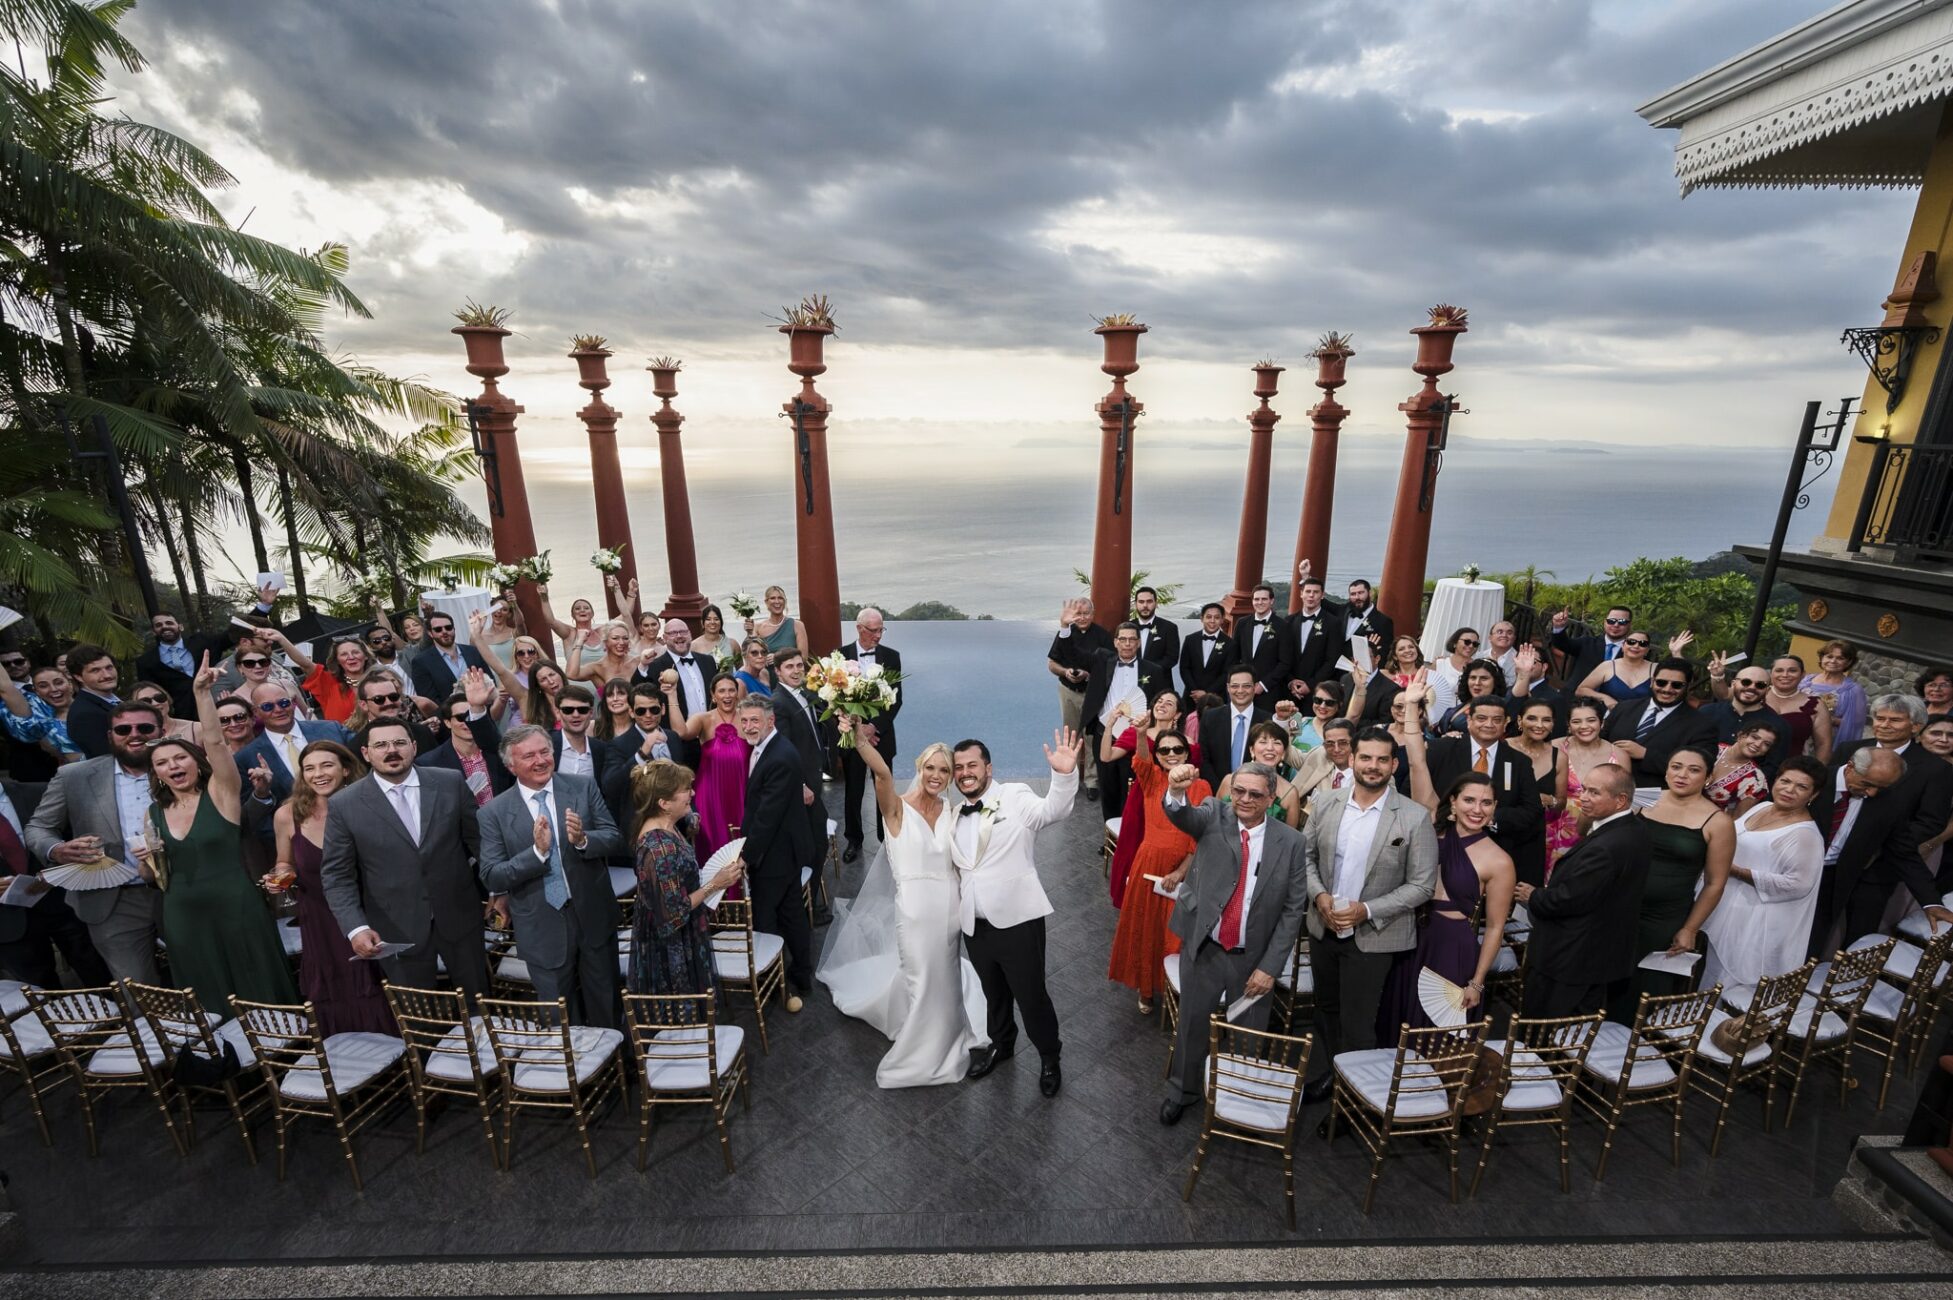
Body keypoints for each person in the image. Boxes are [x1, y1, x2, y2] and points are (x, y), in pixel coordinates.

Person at [819, 715, 988, 1087]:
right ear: (919, 767)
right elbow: (880, 775)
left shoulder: (951, 811)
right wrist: (860, 738)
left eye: (944, 771)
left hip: (949, 909)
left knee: (944, 973)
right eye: (930, 767)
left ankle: (951, 1027)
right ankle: (921, 1047)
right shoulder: (895, 809)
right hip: (913, 910)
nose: (937, 776)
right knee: (921, 975)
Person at [1156, 758, 1310, 1126]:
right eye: (1238, 790)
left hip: (1252, 962)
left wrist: (1270, 968)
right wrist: (1176, 791)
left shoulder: (1291, 842)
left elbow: (1292, 909)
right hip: (1205, 949)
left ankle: (1235, 1096)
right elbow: (1181, 815)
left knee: (1248, 1034)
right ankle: (1183, 1091)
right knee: (1192, 1025)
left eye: (1255, 794)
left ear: (1271, 797)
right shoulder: (1213, 814)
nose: (1243, 800)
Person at [137, 660, 299, 1008]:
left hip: (237, 908)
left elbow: (215, 740)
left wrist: (201, 693)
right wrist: (146, 862)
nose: (173, 766)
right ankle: (225, 1059)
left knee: (257, 984)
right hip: (183, 915)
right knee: (206, 992)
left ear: (196, 761)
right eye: (162, 763)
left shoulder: (221, 794)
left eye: (180, 758)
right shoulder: (152, 814)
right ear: (155, 774)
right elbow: (151, 877)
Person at [1297, 726, 1438, 1107]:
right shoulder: (1326, 803)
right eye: (1365, 757)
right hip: (1324, 927)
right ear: (1352, 759)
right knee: (1326, 1009)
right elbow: (1305, 858)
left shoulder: (1413, 817)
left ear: (1394, 764)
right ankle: (1332, 1073)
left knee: (1358, 1023)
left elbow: (1422, 886)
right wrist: (1320, 895)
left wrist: (1367, 910)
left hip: (1374, 936)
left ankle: (1352, 1102)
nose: (1372, 766)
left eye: (1381, 759)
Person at [319, 717, 492, 1001]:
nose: (392, 750)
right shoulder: (344, 804)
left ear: (413, 747)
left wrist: (498, 889)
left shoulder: (449, 782)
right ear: (366, 753)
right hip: (395, 929)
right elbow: (337, 876)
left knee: (480, 1006)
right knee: (419, 1019)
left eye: (399, 743)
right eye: (381, 744)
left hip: (460, 918)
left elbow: (480, 843)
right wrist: (356, 928)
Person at [953, 728, 1082, 1098]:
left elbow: (1053, 810)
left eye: (972, 765)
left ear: (988, 769)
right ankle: (1002, 1045)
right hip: (974, 926)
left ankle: (1049, 1057)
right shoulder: (955, 813)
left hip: (1018, 921)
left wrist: (1063, 774)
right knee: (993, 993)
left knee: (1031, 995)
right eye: (959, 767)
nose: (965, 772)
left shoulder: (1015, 796)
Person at [480, 724, 626, 1027]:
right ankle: (571, 1072)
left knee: (606, 1004)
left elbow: (613, 836)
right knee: (559, 1016)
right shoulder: (493, 812)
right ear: (511, 765)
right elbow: (492, 876)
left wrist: (584, 840)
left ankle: (616, 1068)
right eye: (529, 756)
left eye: (544, 751)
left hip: (593, 917)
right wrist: (536, 854)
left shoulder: (582, 787)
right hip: (541, 928)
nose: (540, 760)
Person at [24, 698, 168, 982]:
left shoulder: (183, 767)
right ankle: (152, 1028)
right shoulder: (74, 776)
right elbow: (38, 827)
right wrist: (58, 849)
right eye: (123, 729)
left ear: (161, 732)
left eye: (145, 727)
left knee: (200, 974)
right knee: (139, 990)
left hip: (180, 890)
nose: (134, 734)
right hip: (113, 899)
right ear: (110, 737)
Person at [268, 740, 393, 1036]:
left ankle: (395, 1057)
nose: (318, 774)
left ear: (346, 770)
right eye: (309, 768)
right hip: (318, 920)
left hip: (368, 914)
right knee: (332, 989)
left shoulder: (371, 807)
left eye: (326, 765)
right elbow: (284, 862)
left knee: (375, 985)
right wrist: (280, 877)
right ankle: (345, 1062)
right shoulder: (287, 816)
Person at [1382, 765, 1516, 1038]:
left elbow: (1494, 927)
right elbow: (1418, 765)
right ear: (1453, 801)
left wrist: (1477, 983)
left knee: (1435, 1034)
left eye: (1486, 802)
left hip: (1451, 950)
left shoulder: (1499, 861)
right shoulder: (1429, 831)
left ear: (1494, 808)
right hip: (1409, 938)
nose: (1477, 809)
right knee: (1395, 1020)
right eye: (1469, 800)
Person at [1514, 763, 1650, 1017]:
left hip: (1572, 957)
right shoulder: (1636, 828)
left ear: (1620, 800)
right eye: (1584, 789)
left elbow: (1568, 899)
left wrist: (1533, 895)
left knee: (1547, 1031)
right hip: (1595, 954)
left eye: (1594, 792)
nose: (1583, 797)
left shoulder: (1606, 847)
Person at [1614, 747, 1733, 1021]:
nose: (1682, 775)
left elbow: (1715, 883)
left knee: (1643, 987)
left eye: (1694, 770)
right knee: (1605, 973)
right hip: (1620, 904)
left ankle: (1626, 1053)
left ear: (1708, 777)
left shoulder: (1718, 821)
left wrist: (1690, 928)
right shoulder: (1644, 798)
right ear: (1666, 769)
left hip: (1664, 919)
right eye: (1676, 766)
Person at [1808, 739, 1953, 952]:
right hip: (1790, 873)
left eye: (1881, 787)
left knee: (1811, 945)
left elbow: (1904, 853)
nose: (1873, 793)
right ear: (1850, 767)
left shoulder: (1889, 802)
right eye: (1868, 784)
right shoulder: (1814, 782)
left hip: (1832, 879)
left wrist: (1931, 902)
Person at [1700, 757, 1828, 998]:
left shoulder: (1804, 835)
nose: (1789, 790)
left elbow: (1799, 885)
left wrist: (1738, 871)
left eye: (1801, 787)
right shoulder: (1761, 807)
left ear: (1814, 794)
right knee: (1709, 972)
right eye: (1785, 781)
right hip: (1727, 905)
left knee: (1725, 984)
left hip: (1755, 920)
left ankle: (1714, 1032)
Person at [1107, 727, 1207, 1013]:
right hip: (1148, 864)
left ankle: (1172, 988)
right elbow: (1140, 760)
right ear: (1157, 756)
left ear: (1187, 753)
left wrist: (1181, 872)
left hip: (1186, 868)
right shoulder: (1151, 780)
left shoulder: (1202, 787)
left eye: (1178, 749)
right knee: (1145, 928)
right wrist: (1140, 734)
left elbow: (1200, 838)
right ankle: (1146, 989)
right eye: (1164, 750)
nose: (1172, 755)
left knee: (1176, 934)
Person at [1408, 682, 1545, 887]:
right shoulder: (1441, 749)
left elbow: (1531, 811)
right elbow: (1411, 788)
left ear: (1506, 723)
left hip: (1495, 857)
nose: (1488, 724)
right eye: (1481, 718)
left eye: (1496, 720)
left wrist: (1488, 818)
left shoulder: (1519, 762)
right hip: (1440, 851)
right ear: (1469, 720)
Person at [731, 695, 817, 1012]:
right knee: (792, 913)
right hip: (785, 850)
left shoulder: (779, 756)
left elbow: (767, 817)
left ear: (770, 721)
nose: (749, 726)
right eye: (745, 721)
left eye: (755, 720)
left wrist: (746, 856)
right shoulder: (769, 749)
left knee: (768, 919)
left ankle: (771, 983)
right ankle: (801, 975)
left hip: (776, 855)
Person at [628, 760, 743, 996]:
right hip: (671, 947)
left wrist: (689, 824)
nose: (692, 793)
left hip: (682, 934)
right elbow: (674, 912)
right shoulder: (659, 849)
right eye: (684, 790)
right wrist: (716, 884)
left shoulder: (666, 826)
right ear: (664, 803)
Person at [0, 777, 111, 989]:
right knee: (41, 995)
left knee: (99, 974)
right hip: (8, 922)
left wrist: (56, 871)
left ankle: (120, 1022)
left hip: (63, 902)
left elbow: (80, 838)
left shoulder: (40, 791)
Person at [1103, 690, 1203, 906]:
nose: (1162, 705)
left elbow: (1194, 776)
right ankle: (1132, 898)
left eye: (1169, 703)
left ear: (1177, 714)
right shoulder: (1139, 733)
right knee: (1135, 846)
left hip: (1176, 802)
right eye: (1159, 701)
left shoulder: (1189, 742)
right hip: (1143, 800)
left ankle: (1164, 897)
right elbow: (1106, 756)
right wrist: (1110, 724)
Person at [1079, 621, 1168, 821]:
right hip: (1106, 734)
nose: (1127, 644)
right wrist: (1066, 628)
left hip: (1137, 737)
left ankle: (1129, 836)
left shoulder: (1154, 670)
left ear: (1138, 643)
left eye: (1132, 640)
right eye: (1123, 639)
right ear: (1116, 642)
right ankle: (1110, 835)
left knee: (1132, 790)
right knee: (1108, 789)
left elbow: (1161, 699)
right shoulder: (1101, 664)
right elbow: (1071, 654)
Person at [660, 669, 748, 867]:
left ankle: (745, 893)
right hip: (710, 796)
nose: (727, 695)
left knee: (743, 843)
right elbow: (681, 732)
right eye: (722, 691)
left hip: (743, 793)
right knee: (714, 846)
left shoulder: (747, 718)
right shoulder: (703, 719)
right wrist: (672, 694)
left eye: (731, 690)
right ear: (713, 695)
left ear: (738, 693)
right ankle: (714, 894)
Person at [768, 649, 830, 911]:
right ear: (778, 671)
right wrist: (801, 785)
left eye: (799, 666)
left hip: (814, 779)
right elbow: (784, 750)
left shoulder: (805, 693)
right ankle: (808, 905)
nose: (796, 671)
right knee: (813, 846)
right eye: (789, 667)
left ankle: (809, 900)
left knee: (817, 843)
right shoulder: (779, 702)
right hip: (801, 789)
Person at [839, 608, 903, 859]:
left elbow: (895, 700)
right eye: (873, 630)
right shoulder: (840, 656)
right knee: (852, 791)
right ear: (859, 628)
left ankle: (886, 837)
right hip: (852, 736)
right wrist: (857, 728)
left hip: (881, 736)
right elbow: (835, 699)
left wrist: (873, 727)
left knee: (883, 786)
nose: (878, 636)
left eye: (881, 630)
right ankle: (854, 839)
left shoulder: (892, 656)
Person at [1600, 658, 1715, 789]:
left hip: (1655, 797)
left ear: (1687, 687)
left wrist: (1646, 754)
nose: (1667, 689)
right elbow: (1599, 742)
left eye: (1676, 685)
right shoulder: (1624, 708)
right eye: (1661, 683)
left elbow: (1699, 769)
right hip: (1605, 787)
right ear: (1651, 682)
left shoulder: (1701, 725)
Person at [231, 680, 352, 804]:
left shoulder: (331, 729)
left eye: (283, 703)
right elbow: (248, 814)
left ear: (292, 703)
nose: (278, 710)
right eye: (268, 706)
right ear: (256, 712)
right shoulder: (245, 758)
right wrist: (261, 793)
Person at [417, 674, 511, 806]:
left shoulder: (499, 752)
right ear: (448, 722)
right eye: (461, 718)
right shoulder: (429, 763)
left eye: (470, 716)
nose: (467, 723)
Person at [1050, 597, 1112, 797]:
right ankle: (1070, 778)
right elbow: (1051, 663)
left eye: (1086, 613)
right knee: (1071, 735)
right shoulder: (1065, 634)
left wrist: (1089, 674)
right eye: (1079, 613)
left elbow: (1109, 666)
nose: (1082, 617)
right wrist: (1065, 672)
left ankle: (1092, 781)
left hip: (1093, 693)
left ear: (1093, 614)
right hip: (1068, 692)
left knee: (1091, 736)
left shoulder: (1103, 636)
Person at [1549, 701, 1622, 866]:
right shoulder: (1554, 747)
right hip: (1552, 827)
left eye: (1591, 720)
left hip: (1595, 831)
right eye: (1576, 721)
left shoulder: (1618, 755)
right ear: (1568, 725)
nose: (1584, 726)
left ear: (1601, 722)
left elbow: (1623, 800)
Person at [1701, 660, 1793, 781]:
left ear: (1768, 690)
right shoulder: (1707, 712)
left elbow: (1773, 768)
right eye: (1746, 682)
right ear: (1733, 683)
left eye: (1760, 685)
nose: (1751, 688)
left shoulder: (1779, 725)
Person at [644, 618, 710, 770]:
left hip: (710, 737)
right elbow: (639, 693)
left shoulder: (708, 661)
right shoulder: (655, 667)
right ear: (665, 638)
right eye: (673, 633)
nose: (679, 636)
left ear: (690, 635)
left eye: (683, 632)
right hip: (679, 742)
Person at [1196, 666, 1271, 792]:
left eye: (1246, 686)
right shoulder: (1210, 717)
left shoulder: (1267, 721)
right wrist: (1222, 790)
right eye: (1235, 686)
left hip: (1254, 795)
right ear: (1228, 688)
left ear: (1255, 687)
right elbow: (1204, 758)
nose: (1240, 691)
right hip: (1217, 793)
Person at [1218, 723, 1305, 830]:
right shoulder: (1229, 781)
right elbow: (1215, 820)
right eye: (1263, 742)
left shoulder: (1290, 793)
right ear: (1251, 750)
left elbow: (1291, 840)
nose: (1270, 748)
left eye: (1277, 743)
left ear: (1283, 753)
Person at [2, 661, 79, 779]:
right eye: (43, 686)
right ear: (36, 691)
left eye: (58, 683)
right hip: (75, 780)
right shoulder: (42, 724)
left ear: (70, 684)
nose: (53, 689)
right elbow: (6, 688)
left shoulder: (94, 707)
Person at [135, 611, 218, 719]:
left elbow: (229, 637)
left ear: (180, 627)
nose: (164, 627)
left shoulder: (201, 642)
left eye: (169, 623)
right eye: (158, 625)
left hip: (214, 708)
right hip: (179, 717)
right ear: (154, 632)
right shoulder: (145, 662)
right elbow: (148, 693)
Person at [1283, 565, 1345, 701]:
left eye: (1316, 592)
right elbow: (1283, 656)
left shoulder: (1333, 623)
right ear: (1301, 594)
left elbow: (1332, 660)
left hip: (1318, 691)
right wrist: (1291, 681)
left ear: (1322, 595)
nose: (1311, 595)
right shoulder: (1289, 621)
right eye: (1308, 591)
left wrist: (1310, 685)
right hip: (1289, 690)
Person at [1762, 654, 1835, 762]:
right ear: (1771, 673)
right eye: (1779, 670)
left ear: (1803, 674)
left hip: (1789, 770)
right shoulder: (1756, 695)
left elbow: (1823, 745)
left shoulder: (1816, 705)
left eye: (1792, 670)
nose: (1785, 675)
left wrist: (1816, 774)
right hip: (1747, 766)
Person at [1228, 584, 1292, 700]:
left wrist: (1264, 684)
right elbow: (1234, 656)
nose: (1260, 602)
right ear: (1252, 601)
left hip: (1269, 691)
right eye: (1256, 599)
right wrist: (1240, 682)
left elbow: (1285, 662)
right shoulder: (1242, 623)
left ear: (1271, 601)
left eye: (1264, 599)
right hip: (1242, 690)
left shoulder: (1282, 626)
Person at [408, 611, 489, 702]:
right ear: (430, 633)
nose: (444, 631)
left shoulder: (472, 651)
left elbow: (490, 682)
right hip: (451, 715)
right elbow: (430, 700)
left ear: (454, 629)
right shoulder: (421, 662)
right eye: (438, 629)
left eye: (448, 627)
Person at [1549, 604, 1635, 689]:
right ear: (1605, 622)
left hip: (1610, 700)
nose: (1616, 625)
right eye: (1611, 621)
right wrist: (1558, 627)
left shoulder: (1634, 651)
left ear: (1630, 625)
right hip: (1576, 698)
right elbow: (1562, 644)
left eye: (1622, 622)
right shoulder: (1587, 642)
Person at [1802, 640, 1867, 747]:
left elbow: (1855, 726)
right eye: (1829, 656)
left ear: (1849, 662)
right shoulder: (1805, 681)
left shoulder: (1853, 690)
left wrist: (1826, 719)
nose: (1833, 661)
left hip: (1824, 742)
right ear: (1822, 658)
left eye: (1840, 658)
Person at [63, 642, 122, 759]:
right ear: (78, 677)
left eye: (109, 668)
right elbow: (107, 758)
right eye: (95, 670)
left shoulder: (113, 701)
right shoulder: (85, 714)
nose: (107, 675)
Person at [300, 638, 378, 725]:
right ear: (337, 660)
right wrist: (281, 638)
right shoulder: (329, 683)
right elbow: (305, 665)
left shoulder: (380, 681)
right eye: (344, 654)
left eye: (356, 652)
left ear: (366, 656)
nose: (351, 657)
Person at [1705, 723, 1775, 815]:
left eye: (1766, 744)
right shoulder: (1711, 748)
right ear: (1740, 735)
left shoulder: (1757, 780)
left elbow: (1737, 820)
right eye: (1754, 737)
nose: (1758, 744)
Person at [1177, 601, 1233, 712]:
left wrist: (1207, 693)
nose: (1212, 621)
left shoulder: (1230, 643)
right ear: (1202, 619)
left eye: (1217, 617)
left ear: (1222, 620)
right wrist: (1194, 691)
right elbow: (1184, 668)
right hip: (1191, 697)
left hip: (1217, 698)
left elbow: (1227, 673)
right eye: (1208, 617)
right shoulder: (1190, 640)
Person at [611, 681, 675, 773]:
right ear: (631, 712)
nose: (648, 715)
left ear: (663, 709)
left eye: (654, 709)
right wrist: (642, 754)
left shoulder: (673, 737)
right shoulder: (618, 745)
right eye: (641, 711)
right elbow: (611, 784)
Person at [1424, 628, 1481, 724]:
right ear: (1454, 643)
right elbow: (1426, 691)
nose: (1471, 646)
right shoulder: (1439, 664)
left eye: (1475, 644)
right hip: (1435, 719)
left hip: (1464, 720)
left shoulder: (1479, 667)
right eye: (1467, 642)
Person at [748, 585, 810, 668]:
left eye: (780, 598)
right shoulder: (758, 627)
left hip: (791, 675)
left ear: (785, 601)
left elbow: (804, 658)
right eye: (772, 598)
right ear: (766, 602)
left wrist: (779, 658)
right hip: (767, 676)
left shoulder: (797, 625)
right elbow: (753, 657)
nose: (777, 601)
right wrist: (749, 632)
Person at [1338, 577, 1395, 666]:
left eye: (1360, 593)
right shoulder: (1342, 610)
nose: (1357, 597)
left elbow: (1384, 654)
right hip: (1334, 670)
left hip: (1362, 671)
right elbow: (1321, 602)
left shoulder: (1383, 621)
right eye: (1353, 594)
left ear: (1370, 593)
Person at [536, 584, 600, 660]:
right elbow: (551, 621)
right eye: (577, 608)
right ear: (573, 615)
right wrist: (544, 598)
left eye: (586, 608)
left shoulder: (601, 632)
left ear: (592, 614)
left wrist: (616, 588)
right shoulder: (569, 633)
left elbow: (618, 619)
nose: (582, 610)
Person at [568, 620, 638, 687]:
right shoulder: (597, 668)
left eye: (625, 638)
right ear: (605, 641)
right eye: (615, 638)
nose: (621, 642)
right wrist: (580, 641)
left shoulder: (638, 662)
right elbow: (571, 674)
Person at [129, 681, 198, 747]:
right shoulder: (134, 737)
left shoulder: (196, 728)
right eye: (146, 701)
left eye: (159, 698)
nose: (156, 703)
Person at [1132, 585, 1180, 675]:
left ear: (1156, 603)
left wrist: (1147, 670)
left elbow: (1172, 658)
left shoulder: (1169, 628)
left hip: (1160, 683)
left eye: (1149, 601)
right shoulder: (1127, 627)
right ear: (1136, 604)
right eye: (1141, 602)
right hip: (1131, 681)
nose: (1145, 605)